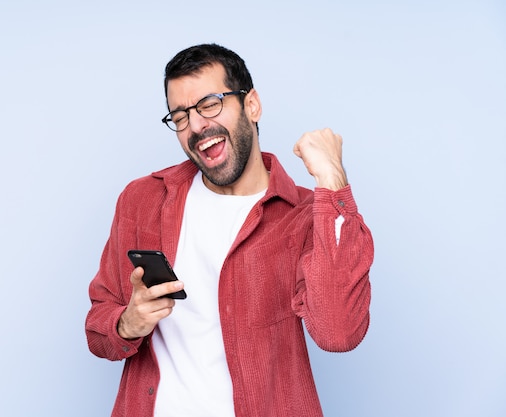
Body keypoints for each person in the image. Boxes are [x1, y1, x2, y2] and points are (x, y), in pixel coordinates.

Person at [85, 43, 374, 417]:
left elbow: (339, 333)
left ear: (251, 104)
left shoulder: (304, 215)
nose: (197, 125)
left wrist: (332, 182)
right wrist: (128, 323)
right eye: (181, 115)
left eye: (209, 104)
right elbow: (98, 330)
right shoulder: (142, 200)